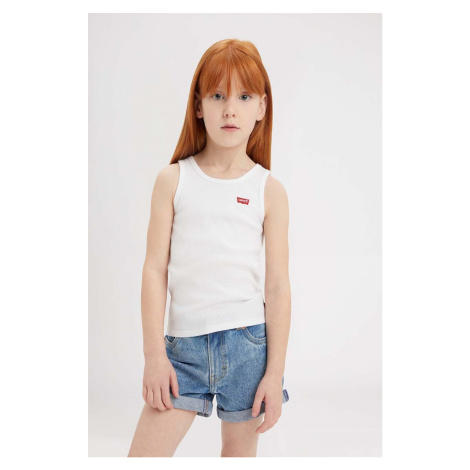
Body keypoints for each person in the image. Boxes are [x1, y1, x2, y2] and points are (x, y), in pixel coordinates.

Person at [128, 38, 291, 458]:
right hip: (181, 354)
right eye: (217, 95)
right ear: (198, 105)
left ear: (262, 107)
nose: (230, 109)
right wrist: (153, 355)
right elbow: (153, 271)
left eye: (244, 97)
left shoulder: (269, 190)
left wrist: (274, 374)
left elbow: (277, 287)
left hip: (248, 348)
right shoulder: (173, 180)